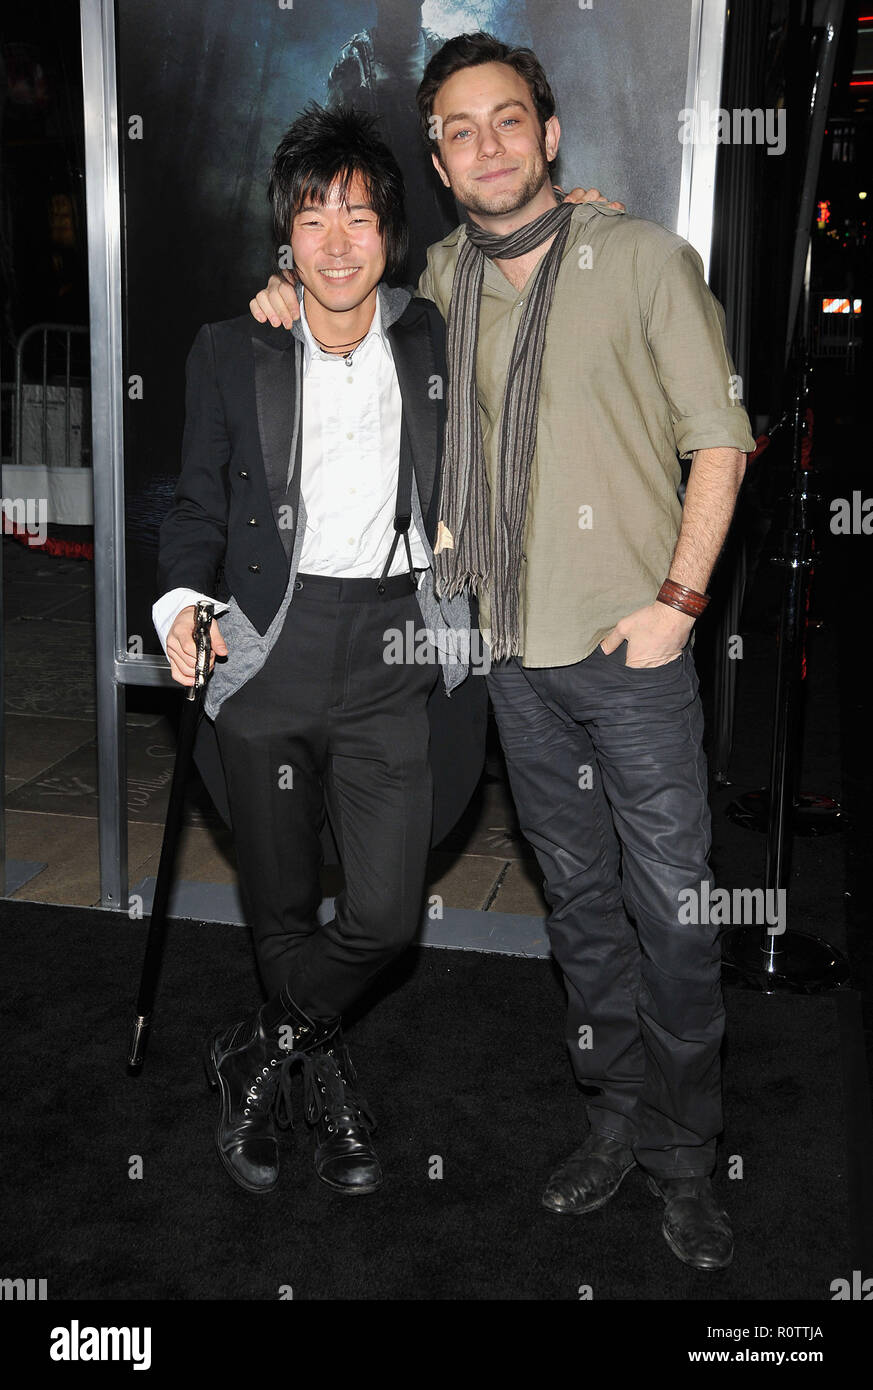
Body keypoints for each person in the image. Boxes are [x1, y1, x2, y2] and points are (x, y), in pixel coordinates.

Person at [251, 33, 756, 1271]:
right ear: (437, 156)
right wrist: (278, 293)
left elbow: (720, 438)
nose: (487, 146)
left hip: (630, 653)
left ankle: (688, 1158)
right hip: (506, 660)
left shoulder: (640, 259)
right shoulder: (432, 284)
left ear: (552, 133)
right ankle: (614, 1121)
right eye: (461, 130)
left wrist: (681, 601)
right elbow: (332, 290)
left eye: (508, 121)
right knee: (579, 913)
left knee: (677, 916)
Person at [153, 102, 488, 1197]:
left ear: (391, 233)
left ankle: (267, 1044)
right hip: (267, 651)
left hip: (392, 645)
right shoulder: (229, 347)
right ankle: (318, 1062)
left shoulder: (435, 334)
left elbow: (524, 265)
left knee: (387, 914)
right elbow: (196, 504)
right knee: (284, 901)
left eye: (357, 217)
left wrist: (576, 213)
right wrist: (178, 609)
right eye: (312, 220)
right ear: (283, 241)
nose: (336, 242)